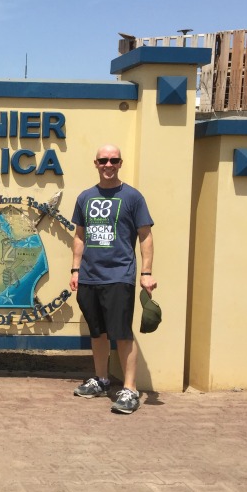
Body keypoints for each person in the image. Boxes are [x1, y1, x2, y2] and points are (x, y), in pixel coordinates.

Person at [69, 144, 157, 414]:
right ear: (95, 163)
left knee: (121, 334)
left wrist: (146, 273)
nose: (109, 165)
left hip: (119, 275)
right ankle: (101, 379)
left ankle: (130, 390)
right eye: (103, 160)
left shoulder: (132, 197)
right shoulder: (85, 197)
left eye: (114, 160)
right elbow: (80, 236)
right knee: (97, 332)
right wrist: (75, 269)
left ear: (120, 163)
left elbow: (145, 236)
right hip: (89, 276)